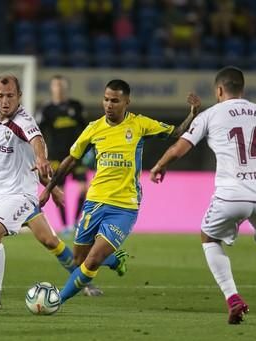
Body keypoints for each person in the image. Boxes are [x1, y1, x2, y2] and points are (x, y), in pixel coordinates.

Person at [150, 66, 256, 325]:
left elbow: (180, 148)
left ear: (218, 90)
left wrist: (160, 164)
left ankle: (233, 298)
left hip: (232, 194)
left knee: (208, 238)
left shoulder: (211, 114)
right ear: (243, 90)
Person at [0, 75, 111, 311]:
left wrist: (42, 160)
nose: (5, 101)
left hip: (19, 196)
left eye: (10, 96)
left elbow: (37, 139)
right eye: (0, 96)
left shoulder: (24, 121)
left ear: (19, 97)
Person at [39, 79, 201, 304]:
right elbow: (70, 160)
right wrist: (49, 188)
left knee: (93, 259)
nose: (109, 104)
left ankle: (55, 301)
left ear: (127, 102)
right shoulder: (94, 128)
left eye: (115, 101)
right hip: (94, 201)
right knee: (79, 260)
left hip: (124, 206)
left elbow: (177, 132)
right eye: (106, 99)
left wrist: (192, 114)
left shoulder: (140, 124)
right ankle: (115, 260)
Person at [35, 75, 88, 233]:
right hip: (56, 156)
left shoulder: (76, 106)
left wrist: (89, 149)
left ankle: (76, 223)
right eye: (56, 86)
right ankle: (65, 226)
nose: (59, 88)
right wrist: (41, 155)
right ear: (51, 88)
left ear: (66, 88)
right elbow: (38, 133)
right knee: (59, 190)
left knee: (84, 189)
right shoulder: (46, 110)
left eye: (62, 86)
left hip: (76, 155)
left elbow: (86, 130)